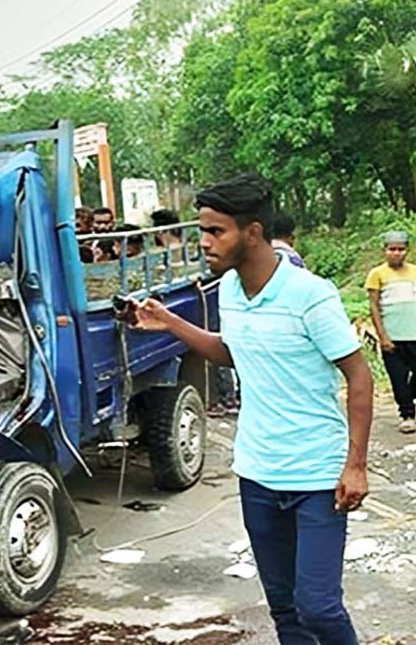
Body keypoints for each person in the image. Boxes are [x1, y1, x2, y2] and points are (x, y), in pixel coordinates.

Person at [132, 174, 372, 645]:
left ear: (253, 232)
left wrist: (356, 464)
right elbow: (232, 351)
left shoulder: (310, 295)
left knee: (318, 607)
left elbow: (359, 376)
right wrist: (169, 322)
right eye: (201, 230)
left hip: (317, 477)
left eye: (215, 231)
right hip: (258, 473)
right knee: (285, 608)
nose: (204, 242)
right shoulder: (229, 291)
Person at [366, 231, 416, 434]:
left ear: (408, 251)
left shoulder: (414, 272)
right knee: (397, 378)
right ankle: (407, 414)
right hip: (392, 336)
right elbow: (374, 306)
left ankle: (410, 401)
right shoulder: (377, 274)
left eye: (400, 249)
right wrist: (382, 335)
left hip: (414, 334)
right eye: (392, 249)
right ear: (384, 251)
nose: (396, 253)